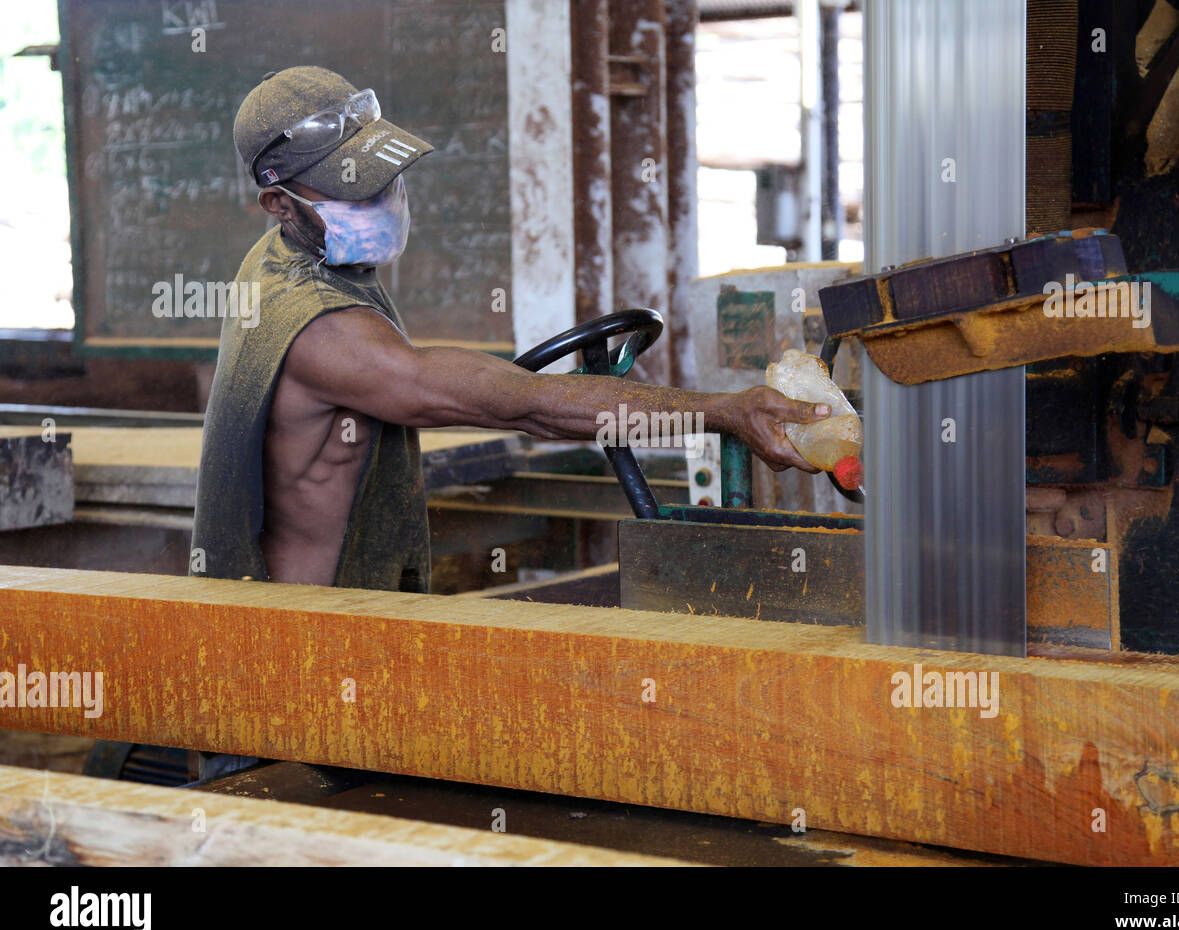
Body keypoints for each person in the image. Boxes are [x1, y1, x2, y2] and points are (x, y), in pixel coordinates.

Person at [191, 65, 830, 601]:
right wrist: (724, 412)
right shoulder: (318, 327)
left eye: (385, 181)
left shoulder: (298, 257)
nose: (383, 200)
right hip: (306, 644)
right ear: (278, 203)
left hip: (351, 611)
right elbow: (528, 405)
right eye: (352, 193)